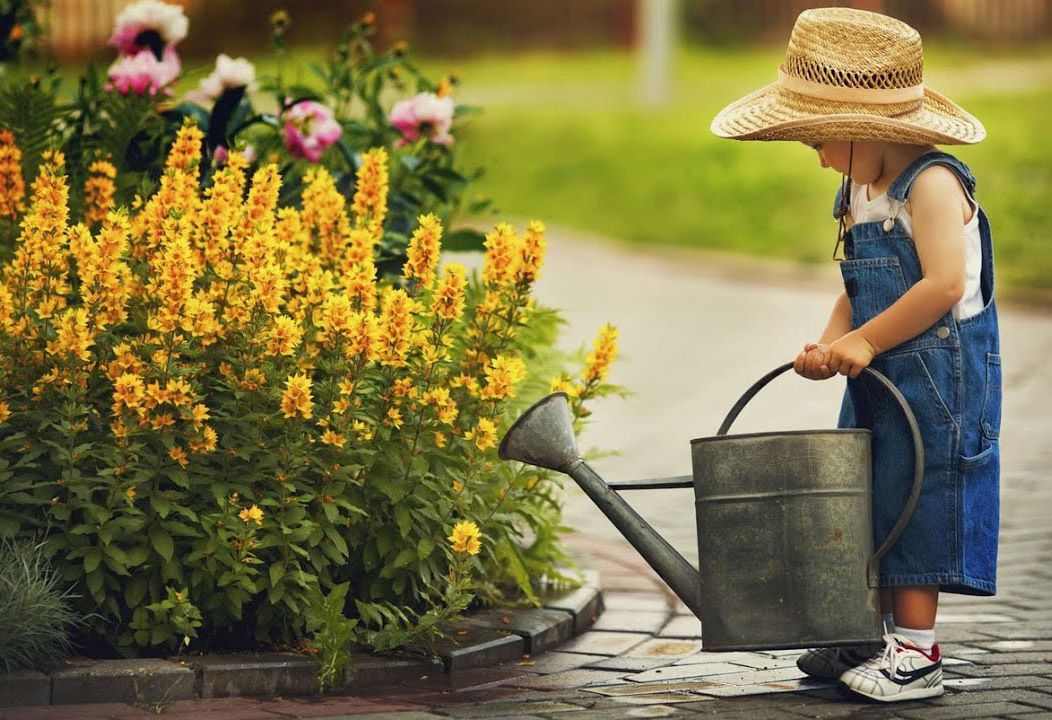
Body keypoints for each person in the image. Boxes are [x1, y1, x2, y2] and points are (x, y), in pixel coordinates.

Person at [710, 7, 1002, 703]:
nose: (815, 156)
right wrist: (835, 340)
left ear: (868, 128)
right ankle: (861, 632)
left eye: (818, 139)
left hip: (940, 378)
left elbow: (943, 285)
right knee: (862, 491)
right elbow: (856, 287)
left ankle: (917, 655)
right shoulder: (858, 189)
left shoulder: (931, 184)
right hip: (881, 371)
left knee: (917, 498)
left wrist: (866, 340)